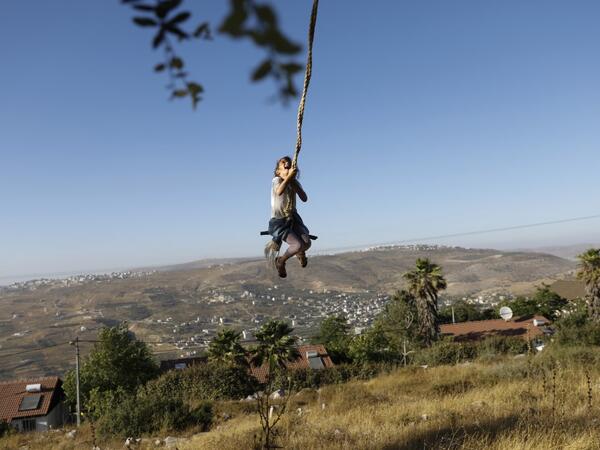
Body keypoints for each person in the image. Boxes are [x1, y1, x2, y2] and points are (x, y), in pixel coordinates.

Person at [265, 156, 311, 278]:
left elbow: (304, 198)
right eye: (284, 165)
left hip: (292, 218)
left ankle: (299, 252)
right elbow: (279, 191)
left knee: (306, 243)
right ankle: (281, 260)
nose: (287, 166)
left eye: (289, 165)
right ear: (278, 172)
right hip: (279, 221)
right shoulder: (277, 180)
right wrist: (289, 178)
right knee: (297, 245)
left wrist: (292, 180)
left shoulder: (294, 183)